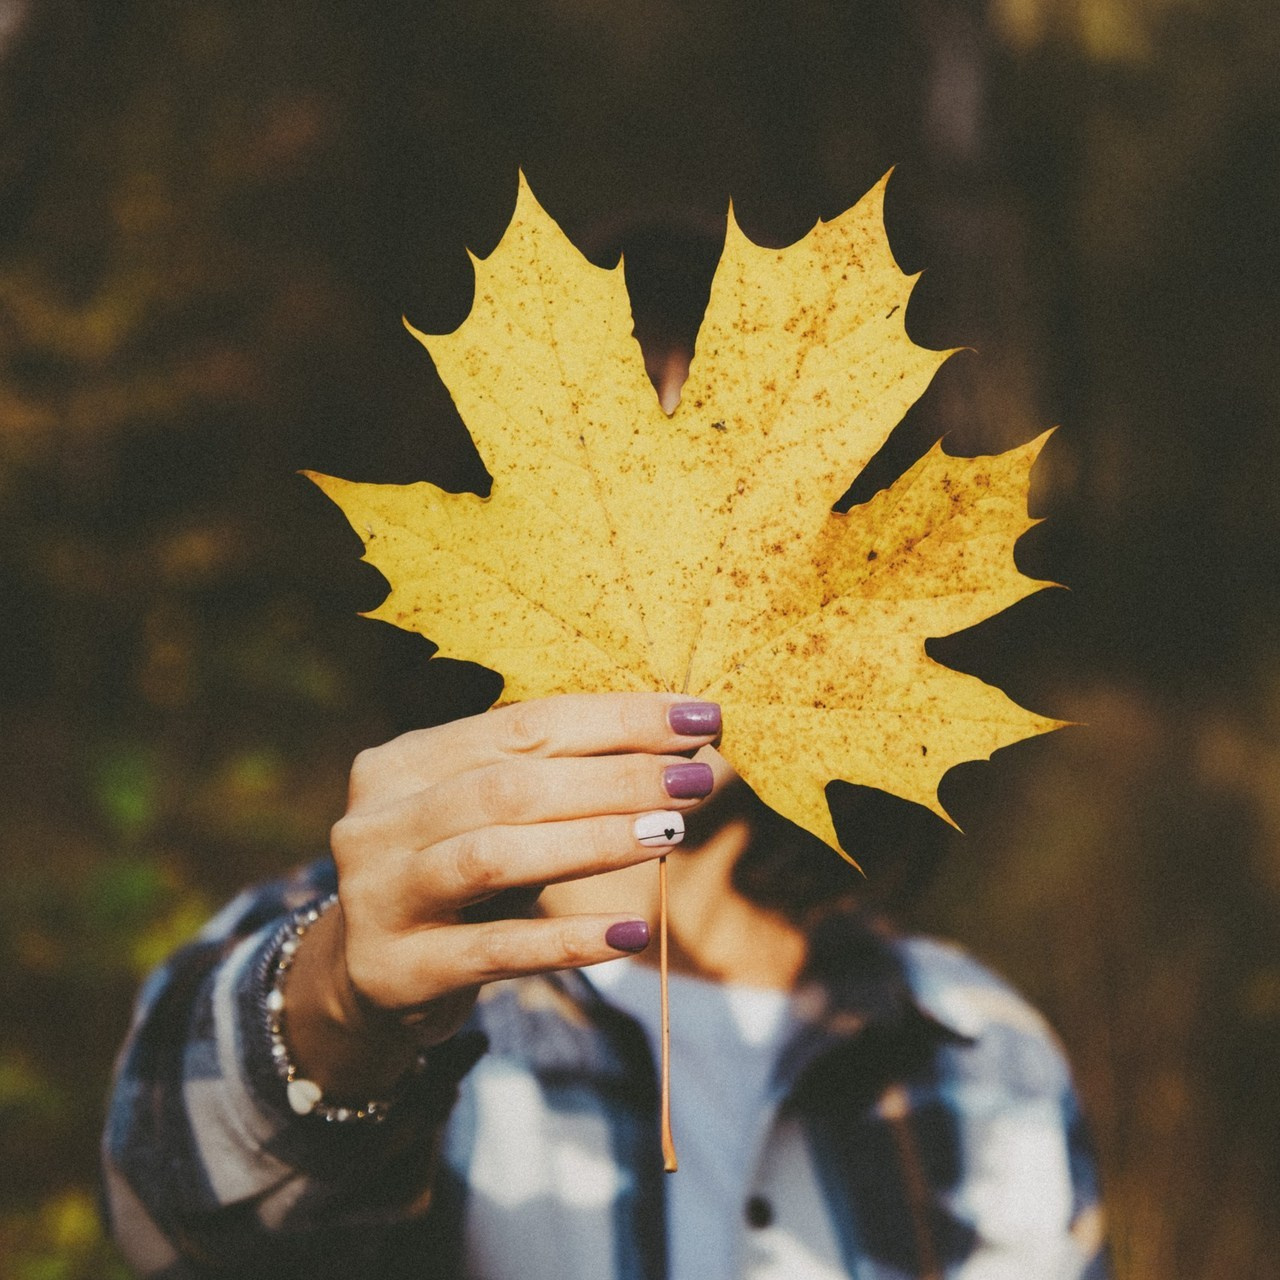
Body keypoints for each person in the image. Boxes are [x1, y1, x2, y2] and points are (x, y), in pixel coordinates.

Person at [102, 227, 1109, 1280]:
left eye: (749, 518)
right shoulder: (368, 958)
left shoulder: (981, 1055)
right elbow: (165, 1215)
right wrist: (339, 1017)